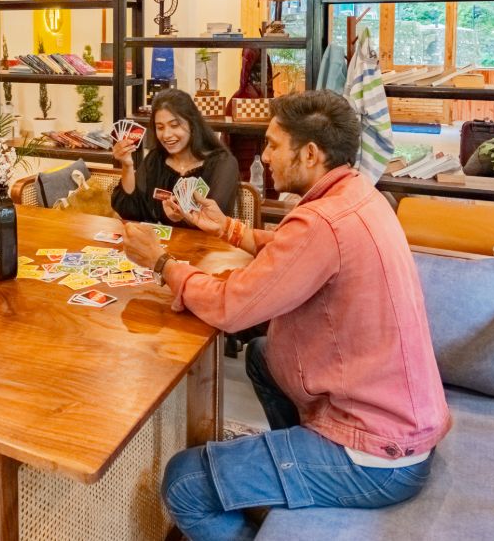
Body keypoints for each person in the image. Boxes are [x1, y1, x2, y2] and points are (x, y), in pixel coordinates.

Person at [122, 91, 449, 540]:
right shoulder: (356, 194)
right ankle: (289, 476)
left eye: (273, 145)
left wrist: (162, 264)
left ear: (310, 153)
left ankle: (302, 472)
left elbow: (233, 307)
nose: (264, 157)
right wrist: (227, 227)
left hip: (377, 455)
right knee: (262, 354)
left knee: (184, 483)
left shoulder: (321, 222)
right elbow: (291, 253)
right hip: (400, 422)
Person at [110, 89, 239, 226]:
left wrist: (182, 216)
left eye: (174, 125)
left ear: (192, 124)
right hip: (159, 239)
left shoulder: (223, 164)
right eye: (160, 127)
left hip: (205, 240)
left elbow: (215, 222)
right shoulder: (155, 159)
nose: (166, 135)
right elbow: (131, 210)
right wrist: (127, 165)